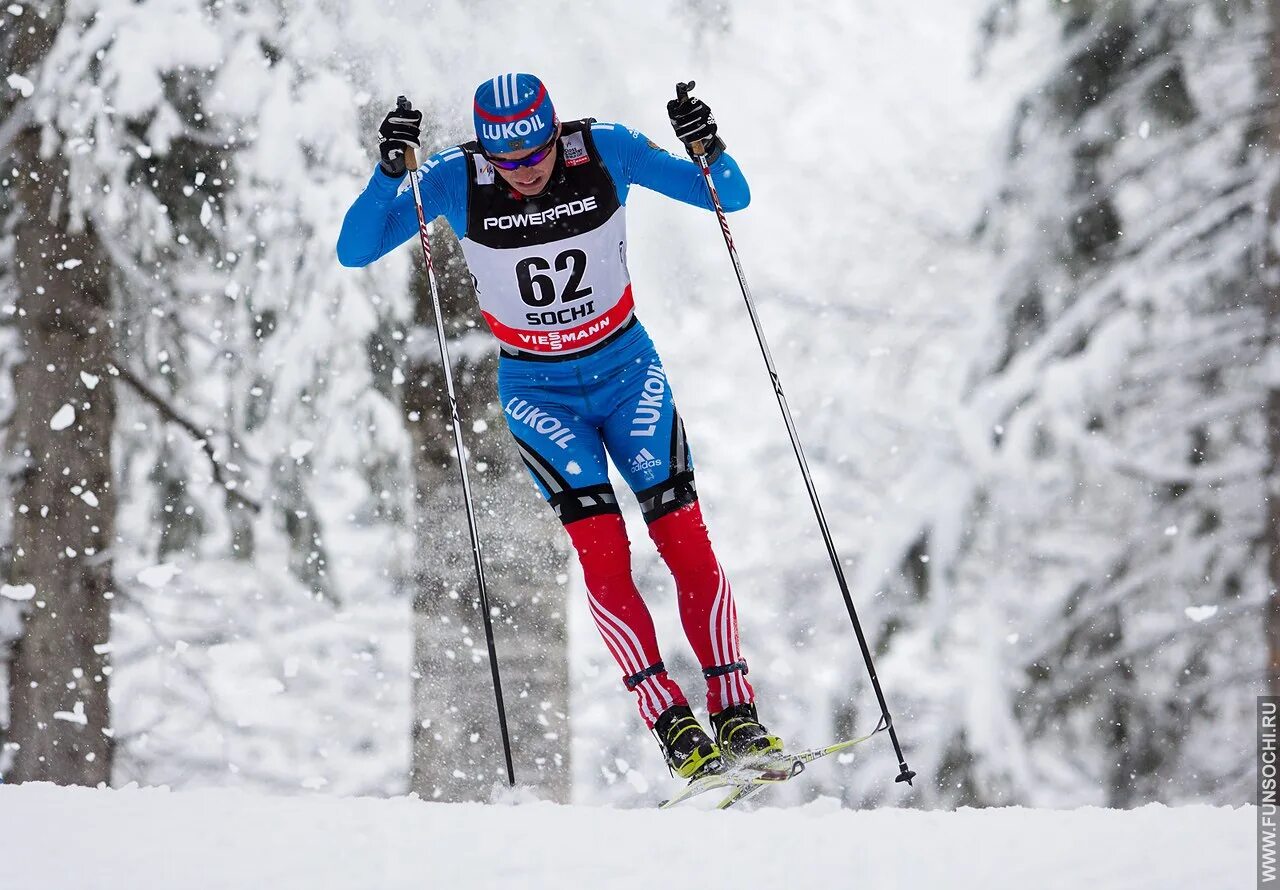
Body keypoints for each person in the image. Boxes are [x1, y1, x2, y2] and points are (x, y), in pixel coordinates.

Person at [337, 73, 781, 781]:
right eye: (507, 162)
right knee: (603, 555)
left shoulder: (605, 148)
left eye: (536, 154)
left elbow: (729, 195)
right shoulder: (457, 178)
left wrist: (706, 146)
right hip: (540, 393)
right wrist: (390, 174)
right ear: (487, 151)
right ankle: (672, 722)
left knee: (683, 541)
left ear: (554, 132)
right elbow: (356, 249)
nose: (525, 172)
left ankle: (737, 714)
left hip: (627, 372)